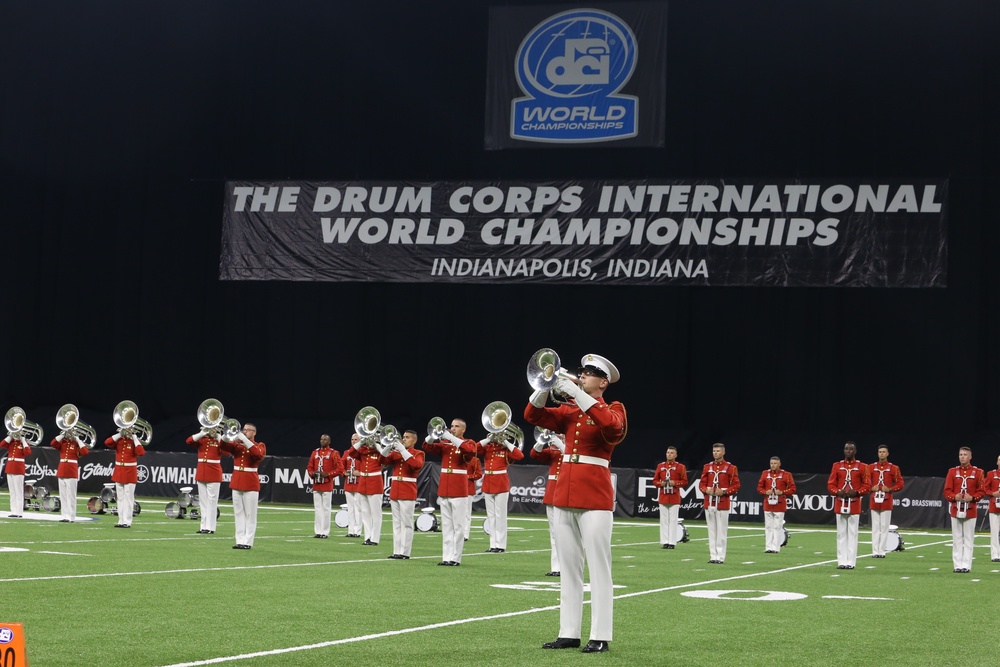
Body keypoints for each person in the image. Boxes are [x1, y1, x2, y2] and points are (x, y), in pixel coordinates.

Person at [525, 353, 626, 654]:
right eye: (581, 372)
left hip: (594, 496)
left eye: (589, 373)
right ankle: (568, 632)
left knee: (599, 567)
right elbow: (533, 415)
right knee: (569, 568)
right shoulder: (569, 411)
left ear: (603, 382)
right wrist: (546, 385)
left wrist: (577, 394)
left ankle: (600, 634)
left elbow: (611, 428)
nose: (582, 376)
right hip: (565, 494)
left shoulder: (614, 408)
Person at [422, 418, 477, 566]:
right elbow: (427, 445)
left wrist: (451, 438)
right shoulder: (445, 445)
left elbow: (471, 451)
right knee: (446, 526)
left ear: (463, 430)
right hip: (445, 489)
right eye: (451, 426)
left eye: (456, 426)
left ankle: (455, 558)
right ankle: (446, 556)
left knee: (458, 526)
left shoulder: (468, 442)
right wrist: (434, 433)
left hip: (459, 490)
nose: (452, 428)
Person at [477, 428, 525, 553]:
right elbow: (475, 449)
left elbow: (520, 455)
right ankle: (493, 544)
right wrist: (488, 438)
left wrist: (507, 443)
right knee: (491, 516)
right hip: (488, 482)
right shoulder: (488, 447)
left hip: (501, 483)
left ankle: (501, 545)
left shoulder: (505, 449)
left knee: (500, 515)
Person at [220, 423, 266, 549]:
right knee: (238, 513)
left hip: (250, 483)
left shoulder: (259, 445)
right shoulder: (237, 445)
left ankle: (248, 542)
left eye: (247, 430)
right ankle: (239, 540)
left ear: (254, 432)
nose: (244, 431)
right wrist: (225, 433)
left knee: (250, 515)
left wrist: (244, 438)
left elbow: (258, 455)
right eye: (243, 430)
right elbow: (222, 445)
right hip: (237, 481)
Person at [381, 429, 424, 559]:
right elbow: (382, 461)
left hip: (407, 490)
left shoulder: (418, 453)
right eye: (404, 437)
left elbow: (416, 465)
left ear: (414, 440)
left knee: (407, 523)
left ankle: (405, 552)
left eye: (407, 437)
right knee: (397, 523)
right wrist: (387, 447)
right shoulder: (397, 453)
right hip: (396, 489)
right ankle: (396, 551)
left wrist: (403, 450)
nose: (404, 439)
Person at [826, 441, 870, 569]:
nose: (848, 451)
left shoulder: (863, 466)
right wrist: (837, 492)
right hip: (840, 503)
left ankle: (851, 562)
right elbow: (830, 484)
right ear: (844, 451)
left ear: (855, 451)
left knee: (852, 533)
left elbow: (867, 485)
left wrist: (856, 492)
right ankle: (841, 561)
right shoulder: (836, 465)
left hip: (854, 503)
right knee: (841, 534)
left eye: (851, 449)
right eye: (846, 449)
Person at [942, 446, 984, 573]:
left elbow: (981, 491)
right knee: (957, 538)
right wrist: (954, 496)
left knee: (969, 538)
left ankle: (966, 565)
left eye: (965, 454)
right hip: (955, 508)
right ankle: (957, 565)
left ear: (970, 456)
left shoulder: (978, 472)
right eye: (960, 454)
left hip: (970, 509)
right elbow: (946, 491)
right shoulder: (952, 471)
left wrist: (972, 497)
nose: (962, 457)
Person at [529, 429, 565, 576]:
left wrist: (561, 444)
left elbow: (571, 456)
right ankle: (556, 567)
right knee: (554, 533)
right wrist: (541, 440)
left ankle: (566, 567)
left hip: (565, 493)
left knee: (567, 533)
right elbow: (534, 454)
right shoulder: (553, 450)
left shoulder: (570, 449)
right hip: (552, 493)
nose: (558, 435)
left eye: (561, 433)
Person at [699, 443, 740, 564]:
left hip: (722, 503)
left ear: (723, 452)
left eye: (718, 451)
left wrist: (724, 491)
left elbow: (736, 485)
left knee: (721, 531)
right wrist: (706, 489)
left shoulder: (731, 468)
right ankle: (713, 555)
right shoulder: (707, 466)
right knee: (711, 530)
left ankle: (720, 556)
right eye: (714, 451)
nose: (715, 453)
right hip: (709, 502)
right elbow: (701, 483)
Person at [104, 425, 147, 528]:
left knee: (128, 497)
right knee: (120, 498)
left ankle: (127, 521)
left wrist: (135, 438)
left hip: (130, 471)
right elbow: (107, 442)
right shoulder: (120, 440)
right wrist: (120, 434)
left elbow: (141, 452)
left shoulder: (133, 441)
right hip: (119, 470)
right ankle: (120, 520)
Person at [346, 433, 385, 545]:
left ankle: (375, 538)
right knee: (365, 512)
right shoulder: (363, 450)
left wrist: (378, 445)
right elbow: (351, 453)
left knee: (375, 513)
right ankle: (368, 536)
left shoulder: (379, 451)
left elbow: (386, 457)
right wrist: (361, 442)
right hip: (363, 482)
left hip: (375, 482)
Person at [186, 425, 226, 534]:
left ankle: (211, 527)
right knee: (203, 502)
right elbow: (189, 441)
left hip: (213, 474)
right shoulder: (202, 439)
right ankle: (203, 526)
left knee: (212, 502)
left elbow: (227, 452)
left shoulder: (219, 440)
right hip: (202, 473)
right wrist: (203, 432)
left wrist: (219, 436)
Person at [867, 445, 904, 558]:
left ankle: (882, 551)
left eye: (884, 452)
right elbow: (865, 481)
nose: (881, 454)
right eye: (880, 452)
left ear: (887, 454)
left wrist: (890, 489)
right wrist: (870, 488)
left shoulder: (894, 468)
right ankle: (874, 551)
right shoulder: (871, 467)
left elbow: (900, 484)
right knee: (875, 528)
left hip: (886, 501)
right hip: (874, 500)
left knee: (884, 527)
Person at [306, 434, 344, 539]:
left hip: (327, 484)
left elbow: (340, 469)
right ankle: (318, 531)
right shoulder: (315, 452)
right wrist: (312, 473)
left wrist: (328, 474)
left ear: (329, 441)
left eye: (325, 439)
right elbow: (309, 466)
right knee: (317, 509)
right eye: (321, 439)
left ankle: (325, 532)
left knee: (326, 509)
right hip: (316, 484)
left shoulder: (334, 453)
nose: (323, 441)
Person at [756, 456, 796, 553]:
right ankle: (768, 547)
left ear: (779, 464)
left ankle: (775, 547)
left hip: (780, 503)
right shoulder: (765, 473)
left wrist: (782, 492)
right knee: (768, 526)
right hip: (768, 503)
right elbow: (759, 488)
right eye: (771, 463)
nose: (773, 465)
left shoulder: (786, 474)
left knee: (777, 526)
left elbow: (793, 489)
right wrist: (766, 492)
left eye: (775, 463)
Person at [50, 430, 89, 522]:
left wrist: (78, 439)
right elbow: (53, 443)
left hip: (71, 471)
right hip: (62, 470)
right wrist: (63, 434)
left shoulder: (76, 444)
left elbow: (85, 451)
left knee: (71, 495)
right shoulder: (63, 443)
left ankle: (71, 516)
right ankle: (64, 515)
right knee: (63, 495)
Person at [652, 446, 688, 549]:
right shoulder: (660, 466)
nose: (669, 454)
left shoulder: (681, 467)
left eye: (672, 453)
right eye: (668, 452)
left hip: (674, 496)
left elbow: (685, 481)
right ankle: (665, 541)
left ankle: (672, 542)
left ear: (676, 455)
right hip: (663, 496)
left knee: (673, 520)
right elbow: (655, 481)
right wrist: (661, 483)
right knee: (664, 520)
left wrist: (675, 483)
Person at [1, 432, 31, 518]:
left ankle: (19, 512)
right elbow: (2, 444)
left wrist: (23, 441)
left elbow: (28, 452)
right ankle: (13, 511)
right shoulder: (11, 442)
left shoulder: (24, 443)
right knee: (12, 491)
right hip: (10, 467)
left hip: (18, 468)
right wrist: (10, 436)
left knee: (18, 491)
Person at [342, 434, 363, 537]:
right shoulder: (347, 453)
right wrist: (344, 472)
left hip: (359, 483)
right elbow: (341, 465)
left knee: (358, 508)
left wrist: (361, 473)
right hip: (349, 483)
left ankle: (357, 531)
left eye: (356, 439)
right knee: (350, 509)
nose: (354, 441)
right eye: (352, 439)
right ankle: (350, 531)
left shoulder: (363, 453)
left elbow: (368, 467)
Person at [985, 454, 1000, 563]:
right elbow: (985, 489)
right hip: (995, 506)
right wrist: (993, 493)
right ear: (997, 462)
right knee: (994, 532)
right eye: (999, 460)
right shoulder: (991, 474)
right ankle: (995, 554)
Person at [465, 453, 483, 541]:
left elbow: (479, 474)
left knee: (467, 514)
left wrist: (468, 476)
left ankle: (465, 534)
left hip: (468, 489)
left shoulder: (475, 460)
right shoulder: (457, 457)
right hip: (456, 488)